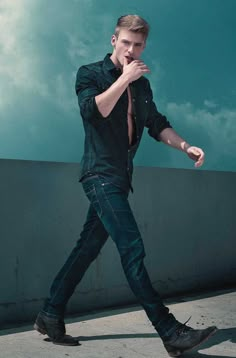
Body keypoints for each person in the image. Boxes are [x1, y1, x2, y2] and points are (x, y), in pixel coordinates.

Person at [34, 14, 217, 356]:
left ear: (145, 45)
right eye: (126, 42)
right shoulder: (90, 74)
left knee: (85, 250)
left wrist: (184, 145)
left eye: (139, 44)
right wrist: (123, 78)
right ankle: (169, 330)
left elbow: (156, 124)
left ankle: (50, 313)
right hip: (99, 175)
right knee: (131, 248)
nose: (132, 50)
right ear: (113, 40)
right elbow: (93, 111)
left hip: (120, 177)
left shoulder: (143, 86)